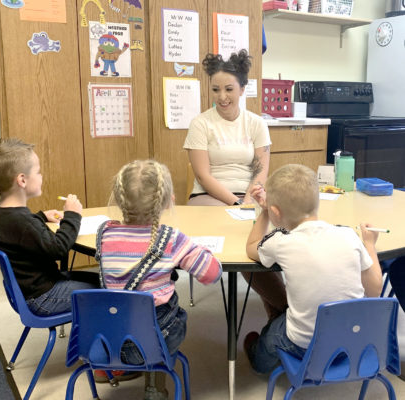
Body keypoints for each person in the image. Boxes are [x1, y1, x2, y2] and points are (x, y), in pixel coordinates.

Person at [97, 159, 222, 398]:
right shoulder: (171, 239)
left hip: (106, 340)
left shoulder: (105, 233)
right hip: (153, 342)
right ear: (166, 202)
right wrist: (198, 249)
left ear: (119, 199)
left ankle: (121, 368)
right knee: (170, 317)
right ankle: (154, 386)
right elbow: (212, 274)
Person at [244, 164, 382, 374]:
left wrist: (263, 212)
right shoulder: (348, 235)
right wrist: (369, 245)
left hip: (304, 345)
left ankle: (258, 358)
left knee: (271, 337)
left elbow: (251, 246)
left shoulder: (280, 241)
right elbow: (374, 290)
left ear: (275, 212)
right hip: (353, 341)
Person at [0, 138, 99, 317]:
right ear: (22, 180)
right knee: (110, 290)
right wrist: (72, 215)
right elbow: (59, 248)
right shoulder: (24, 222)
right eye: (38, 172)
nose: (41, 176)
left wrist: (41, 217)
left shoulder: (0, 214)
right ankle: (102, 340)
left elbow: (18, 231)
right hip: (44, 297)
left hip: (30, 292)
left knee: (101, 280)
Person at [183, 49, 271, 207]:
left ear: (242, 89)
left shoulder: (257, 123)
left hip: (250, 195)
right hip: (208, 195)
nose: (222, 97)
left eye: (229, 89)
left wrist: (249, 201)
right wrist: (237, 203)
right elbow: (203, 176)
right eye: (216, 90)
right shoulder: (200, 123)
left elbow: (260, 171)